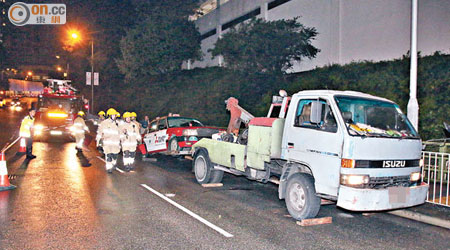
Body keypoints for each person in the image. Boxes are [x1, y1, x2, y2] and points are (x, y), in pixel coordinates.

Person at [96, 108, 121, 173]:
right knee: (108, 155)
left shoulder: (118, 123)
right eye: (113, 115)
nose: (114, 116)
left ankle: (113, 163)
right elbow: (99, 132)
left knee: (114, 156)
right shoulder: (104, 123)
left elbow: (121, 132)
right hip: (107, 143)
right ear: (109, 115)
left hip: (115, 144)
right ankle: (109, 168)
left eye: (115, 115)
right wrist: (98, 142)